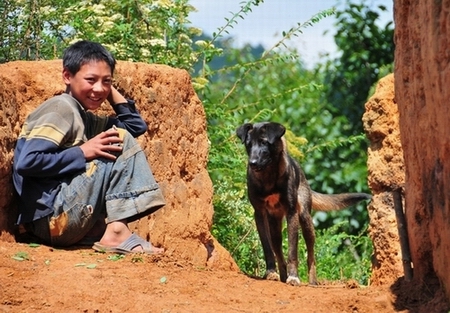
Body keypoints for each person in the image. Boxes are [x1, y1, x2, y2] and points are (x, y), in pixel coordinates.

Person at [13, 40, 166, 254]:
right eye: (91, 80)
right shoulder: (61, 107)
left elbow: (134, 126)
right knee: (118, 139)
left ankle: (110, 231)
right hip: (51, 220)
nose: (98, 88)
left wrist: (106, 87)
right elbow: (27, 162)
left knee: (119, 135)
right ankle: (116, 233)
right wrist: (82, 152)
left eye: (106, 81)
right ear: (67, 76)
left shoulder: (83, 115)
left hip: (58, 223)